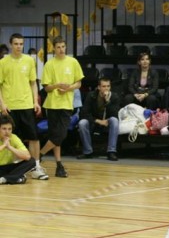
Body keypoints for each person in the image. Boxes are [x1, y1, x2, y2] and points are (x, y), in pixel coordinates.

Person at [0, 33, 48, 181]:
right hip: (9, 106)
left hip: (26, 105)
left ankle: (36, 167)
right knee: (11, 137)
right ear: (10, 45)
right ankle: (15, 168)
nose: (19, 46)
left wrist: (35, 101)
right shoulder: (3, 62)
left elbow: (33, 83)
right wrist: (2, 104)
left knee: (33, 136)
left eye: (21, 44)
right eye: (16, 44)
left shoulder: (29, 60)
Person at [40, 36, 84, 178]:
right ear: (54, 48)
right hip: (52, 105)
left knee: (61, 134)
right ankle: (59, 165)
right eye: (58, 47)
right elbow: (46, 88)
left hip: (66, 104)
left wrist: (69, 88)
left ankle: (39, 155)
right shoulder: (49, 64)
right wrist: (57, 85)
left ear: (66, 47)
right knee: (55, 136)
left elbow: (79, 83)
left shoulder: (73, 62)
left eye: (63, 47)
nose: (61, 49)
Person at [76, 77, 120, 161]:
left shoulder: (114, 96)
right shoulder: (91, 95)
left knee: (114, 120)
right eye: (104, 86)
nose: (106, 88)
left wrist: (108, 102)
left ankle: (111, 152)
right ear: (99, 87)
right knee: (82, 123)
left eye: (108, 86)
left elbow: (115, 114)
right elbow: (84, 113)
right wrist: (98, 121)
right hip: (93, 121)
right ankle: (88, 152)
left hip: (107, 122)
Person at [0, 113, 35, 185]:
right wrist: (4, 145)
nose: (7, 132)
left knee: (31, 161)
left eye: (9, 129)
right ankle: (15, 178)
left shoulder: (14, 137)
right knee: (21, 178)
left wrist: (10, 147)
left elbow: (27, 156)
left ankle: (5, 179)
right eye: (4, 129)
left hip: (7, 167)